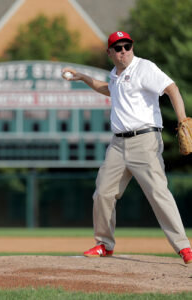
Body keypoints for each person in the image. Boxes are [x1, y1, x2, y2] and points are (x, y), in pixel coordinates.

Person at [62, 31, 192, 264]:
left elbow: (171, 88)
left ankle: (184, 247)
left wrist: (182, 119)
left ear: (132, 47)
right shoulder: (115, 75)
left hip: (145, 140)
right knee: (103, 192)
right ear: (109, 52)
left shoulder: (144, 68)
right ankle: (104, 244)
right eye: (118, 47)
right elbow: (107, 89)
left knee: (158, 193)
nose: (124, 51)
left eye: (127, 46)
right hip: (118, 145)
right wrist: (82, 77)